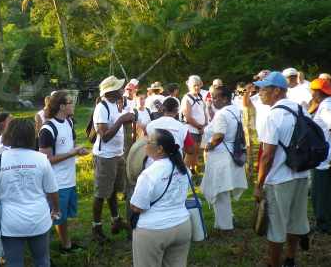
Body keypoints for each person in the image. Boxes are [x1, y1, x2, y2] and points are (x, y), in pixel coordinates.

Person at [0, 119, 60, 267]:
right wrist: (56, 210)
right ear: (32, 136)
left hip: (9, 223)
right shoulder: (41, 159)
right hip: (39, 220)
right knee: (42, 261)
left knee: (14, 263)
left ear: (8, 135)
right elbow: (52, 191)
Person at [253, 72, 310, 267]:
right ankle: (290, 259)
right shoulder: (302, 110)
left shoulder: (274, 115)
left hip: (279, 179)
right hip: (302, 174)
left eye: (263, 89)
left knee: (276, 225)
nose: (260, 93)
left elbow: (267, 156)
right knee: (296, 219)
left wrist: (259, 184)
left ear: (276, 91)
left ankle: (273, 263)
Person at [130, 129, 192, 267]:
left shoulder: (149, 174)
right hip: (182, 226)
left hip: (153, 231)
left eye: (149, 141)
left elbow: (137, 207)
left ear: (159, 149)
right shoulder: (184, 169)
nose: (145, 144)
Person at [38, 91, 89, 253]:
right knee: (52, 217)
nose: (72, 105)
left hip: (69, 178)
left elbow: (69, 147)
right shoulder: (48, 128)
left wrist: (78, 151)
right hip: (55, 182)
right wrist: (72, 153)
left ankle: (66, 245)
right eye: (70, 102)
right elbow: (45, 159)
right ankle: (43, 252)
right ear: (61, 106)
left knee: (63, 216)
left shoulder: (69, 123)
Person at [91, 76, 135, 243]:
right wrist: (122, 120)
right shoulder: (101, 108)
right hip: (105, 157)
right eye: (119, 88)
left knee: (114, 190)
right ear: (110, 92)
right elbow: (105, 136)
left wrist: (127, 118)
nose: (122, 90)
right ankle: (96, 227)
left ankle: (116, 220)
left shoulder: (115, 104)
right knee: (101, 193)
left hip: (117, 154)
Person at [200, 86, 248, 231]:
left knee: (220, 191)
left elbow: (219, 135)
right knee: (223, 191)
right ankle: (224, 221)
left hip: (221, 157)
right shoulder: (235, 110)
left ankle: (225, 226)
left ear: (225, 98)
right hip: (232, 153)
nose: (213, 100)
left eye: (216, 97)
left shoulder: (221, 114)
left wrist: (208, 146)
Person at [309, 79, 331, 234]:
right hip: (329, 156)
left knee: (320, 193)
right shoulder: (328, 104)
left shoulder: (328, 107)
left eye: (312, 91)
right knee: (330, 189)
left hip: (326, 158)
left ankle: (323, 224)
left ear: (318, 92)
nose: (311, 94)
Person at [243, 70, 272, 180]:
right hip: (263, 135)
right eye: (259, 80)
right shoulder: (258, 96)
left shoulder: (275, 95)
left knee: (270, 161)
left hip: (273, 134)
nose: (260, 82)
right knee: (264, 161)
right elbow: (246, 104)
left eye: (262, 80)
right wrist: (247, 92)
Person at [181, 75, 208, 173]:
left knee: (196, 152)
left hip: (199, 130)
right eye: (194, 86)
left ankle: (192, 172)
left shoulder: (200, 97)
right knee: (190, 154)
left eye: (198, 85)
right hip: (191, 130)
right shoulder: (187, 98)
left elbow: (204, 111)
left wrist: (204, 124)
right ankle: (183, 175)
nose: (197, 87)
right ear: (190, 86)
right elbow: (187, 116)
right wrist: (199, 126)